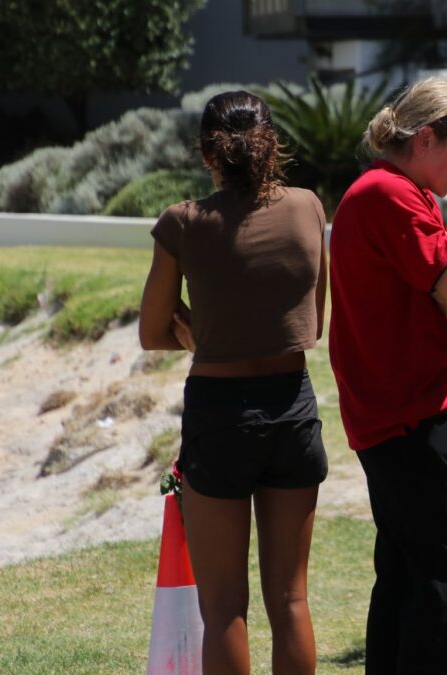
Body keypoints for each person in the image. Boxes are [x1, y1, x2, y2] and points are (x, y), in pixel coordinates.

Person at [139, 90, 328, 675]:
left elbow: (152, 331)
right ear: (273, 144)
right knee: (290, 599)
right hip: (292, 407)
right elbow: (311, 325)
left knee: (223, 607)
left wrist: (207, 338)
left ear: (206, 154)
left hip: (219, 413)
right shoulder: (308, 208)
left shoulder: (184, 221)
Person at [328, 77, 447, 675]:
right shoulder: (391, 195)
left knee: (404, 571)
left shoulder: (389, 191)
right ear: (425, 140)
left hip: (391, 412)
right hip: (407, 414)